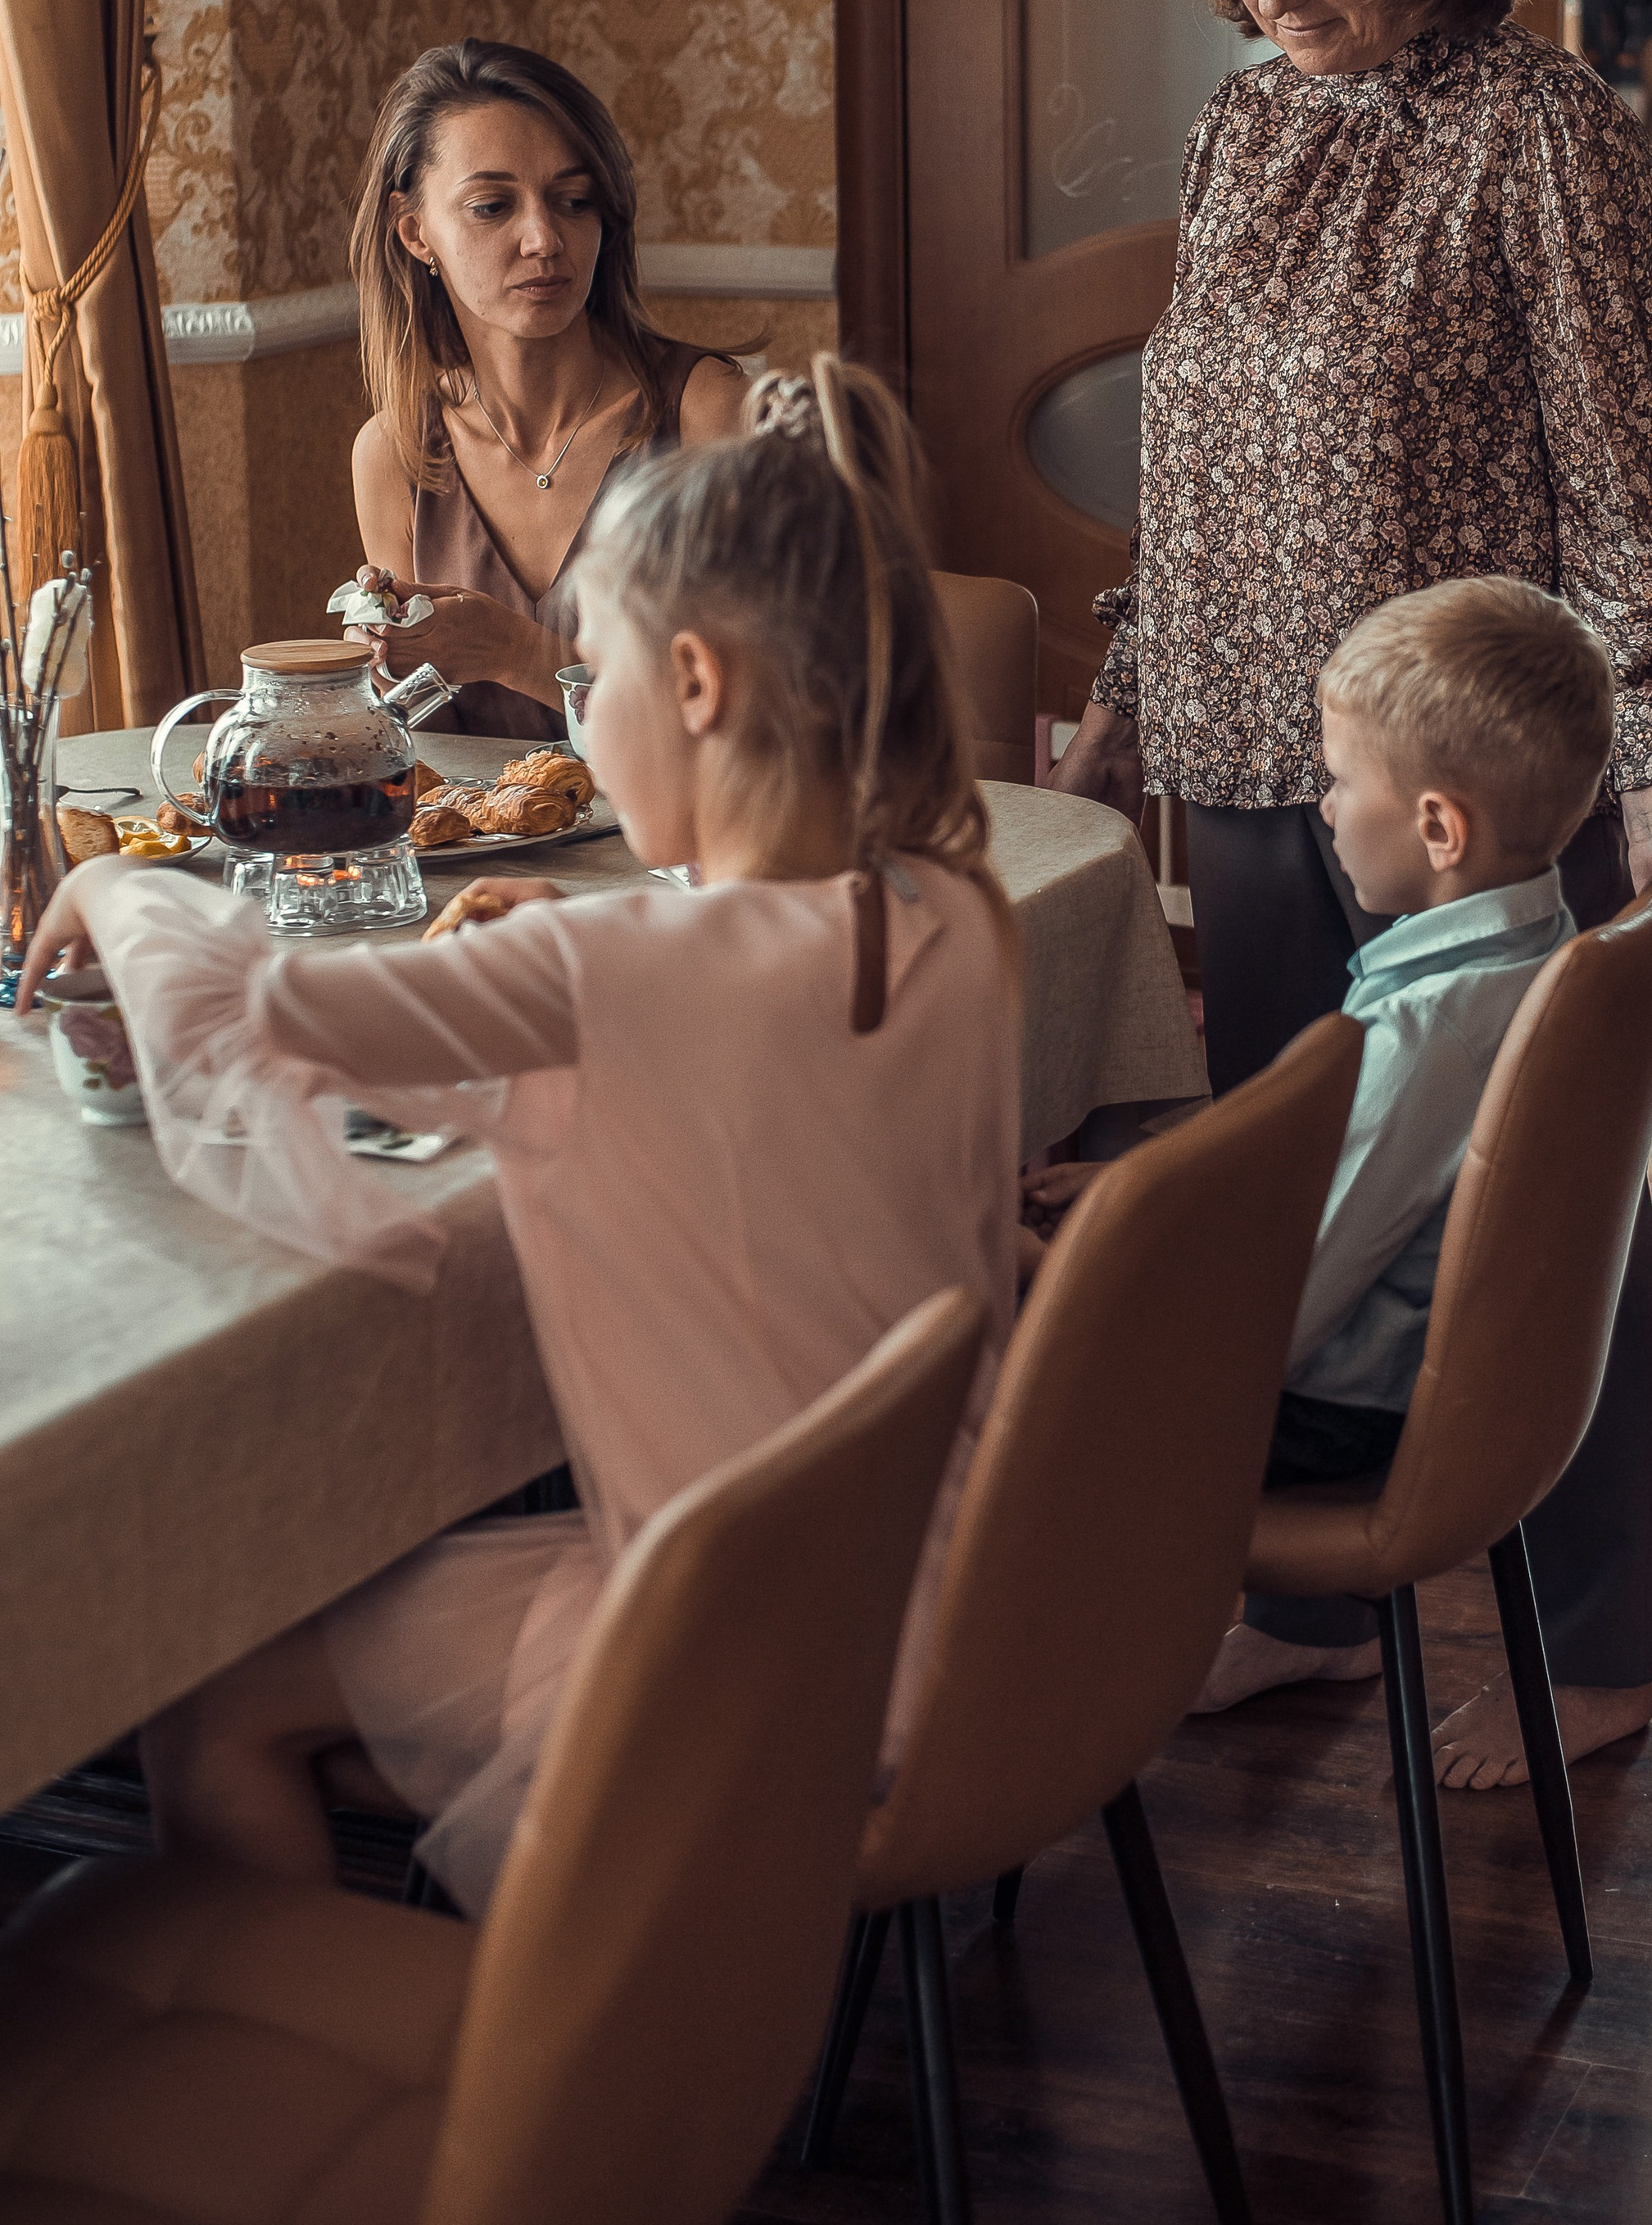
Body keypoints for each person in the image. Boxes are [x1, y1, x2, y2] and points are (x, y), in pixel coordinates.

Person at [19, 360, 1020, 1915]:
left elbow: (252, 1014)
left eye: (588, 680)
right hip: (946, 1586)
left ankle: (409, 2115)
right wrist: (588, 956)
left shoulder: (611, 975)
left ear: (694, 685)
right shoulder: (951, 905)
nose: (581, 720)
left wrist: (123, 888)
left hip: (742, 1644)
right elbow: (731, 995)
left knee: (208, 1698)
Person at [1050, 0, 1652, 1791]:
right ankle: (1297, 1608)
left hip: (1462, 778)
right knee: (1309, 1204)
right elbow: (1192, 465)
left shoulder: (1540, 130)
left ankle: (1599, 1641)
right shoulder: (1240, 127)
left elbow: (1622, 484)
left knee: (1538, 1210)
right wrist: (1120, 699)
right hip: (1251, 758)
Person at [1193, 578, 1609, 1708]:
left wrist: (1110, 1319)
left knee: (973, 1398)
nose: (1323, 811)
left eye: (1334, 781)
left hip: (1336, 1416)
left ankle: (1004, 1729)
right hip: (1440, 1398)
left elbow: (1291, 1292)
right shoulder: (1546, 945)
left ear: (1435, 824)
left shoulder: (1421, 1029)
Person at [346, 37, 749, 736]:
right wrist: (381, 671)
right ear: (415, 233)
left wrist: (513, 651)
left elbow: (750, 716)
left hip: (676, 846)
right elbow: (411, 738)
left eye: (572, 200)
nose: (544, 237)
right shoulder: (395, 451)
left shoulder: (708, 414)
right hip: (478, 846)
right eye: (492, 207)